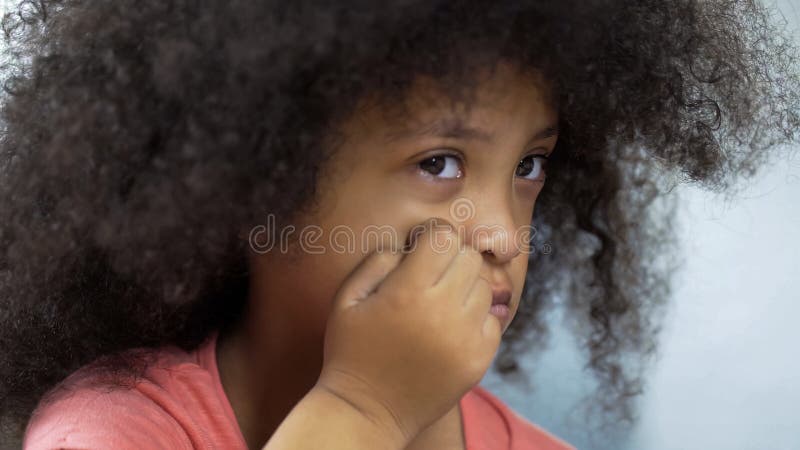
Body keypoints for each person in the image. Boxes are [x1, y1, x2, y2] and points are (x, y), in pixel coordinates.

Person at [1, 0, 797, 448]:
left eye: (528, 168)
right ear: (254, 185)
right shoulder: (110, 434)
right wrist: (364, 410)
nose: (504, 235)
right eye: (440, 163)